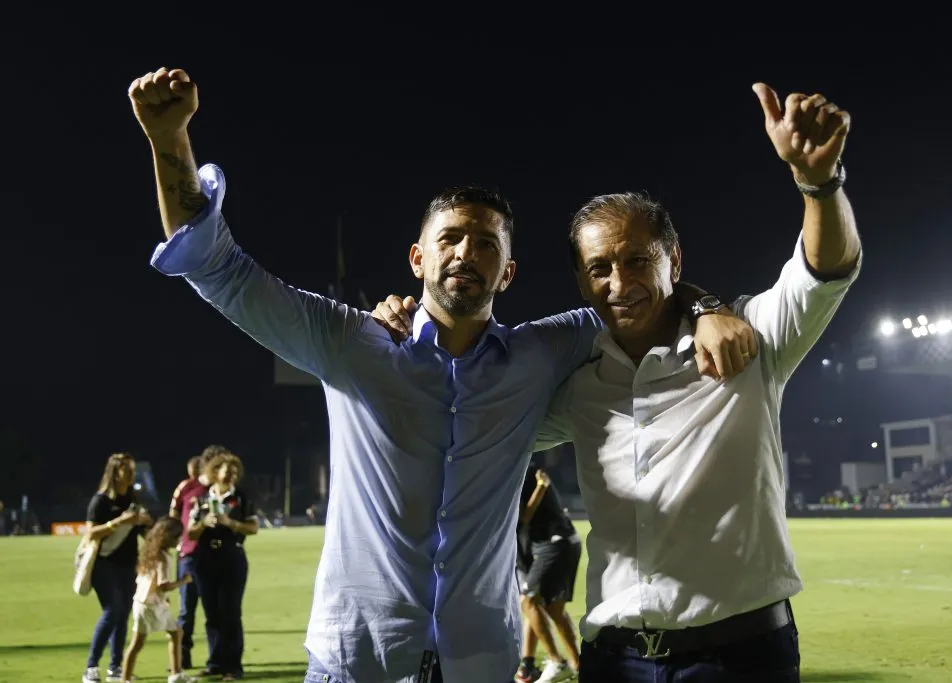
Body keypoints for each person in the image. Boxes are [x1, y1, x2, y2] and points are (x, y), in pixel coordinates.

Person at [127, 66, 752, 683]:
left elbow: (637, 297)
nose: (465, 253)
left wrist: (706, 307)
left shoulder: (541, 352)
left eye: (486, 244)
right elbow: (219, 268)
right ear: (417, 258)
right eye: (449, 238)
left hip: (478, 662)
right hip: (357, 661)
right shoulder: (352, 344)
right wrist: (169, 142)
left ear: (508, 272)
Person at [536, 84, 862, 682]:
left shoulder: (751, 340)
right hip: (614, 660)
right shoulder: (579, 389)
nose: (619, 283)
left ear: (674, 260)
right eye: (599, 269)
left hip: (739, 658)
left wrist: (819, 184)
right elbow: (477, 427)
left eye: (638, 260)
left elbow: (823, 274)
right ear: (581, 283)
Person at [83, 453, 154, 683]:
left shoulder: (133, 498)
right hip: (104, 563)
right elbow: (91, 533)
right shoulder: (101, 501)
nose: (132, 474)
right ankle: (91, 667)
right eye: (127, 469)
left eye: (133, 469)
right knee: (112, 611)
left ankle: (115, 668)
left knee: (123, 615)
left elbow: (141, 531)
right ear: (115, 472)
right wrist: (118, 522)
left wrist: (148, 526)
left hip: (128, 564)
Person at [187, 451, 258, 680]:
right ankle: (215, 662)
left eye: (235, 472)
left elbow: (253, 528)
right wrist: (203, 523)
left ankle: (233, 666)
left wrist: (231, 523)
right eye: (228, 471)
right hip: (206, 559)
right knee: (212, 614)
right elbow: (190, 532)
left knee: (231, 612)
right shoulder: (202, 499)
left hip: (232, 558)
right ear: (215, 472)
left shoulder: (241, 498)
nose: (232, 475)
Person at [514, 464, 581, 683]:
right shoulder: (523, 469)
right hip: (565, 541)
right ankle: (578, 665)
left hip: (553, 544)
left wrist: (541, 487)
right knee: (550, 607)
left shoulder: (514, 473)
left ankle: (557, 661)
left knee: (529, 601)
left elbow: (523, 516)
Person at [121, 517, 197, 683]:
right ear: (169, 537)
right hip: (150, 605)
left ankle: (175, 674)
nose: (179, 540)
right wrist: (183, 581)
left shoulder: (151, 551)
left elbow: (152, 581)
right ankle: (173, 674)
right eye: (178, 536)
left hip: (144, 602)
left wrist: (164, 598)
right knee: (141, 642)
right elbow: (163, 585)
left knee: (174, 633)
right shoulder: (163, 557)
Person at [169, 446, 225, 669]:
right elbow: (173, 516)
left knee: (214, 611)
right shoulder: (187, 487)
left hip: (215, 556)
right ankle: (182, 659)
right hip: (189, 556)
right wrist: (176, 541)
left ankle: (216, 661)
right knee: (186, 611)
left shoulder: (220, 489)